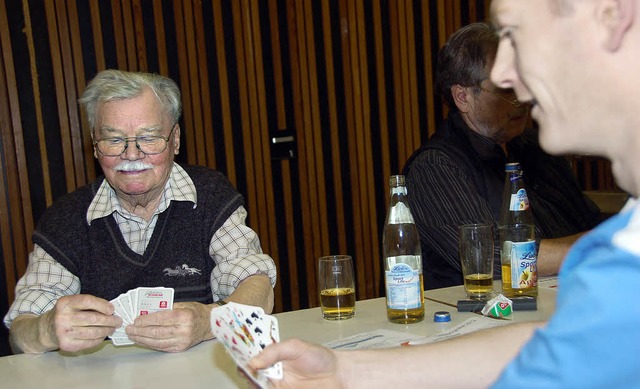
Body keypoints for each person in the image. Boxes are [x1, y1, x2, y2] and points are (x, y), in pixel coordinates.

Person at [250, 0, 640, 386]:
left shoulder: (539, 157)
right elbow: (555, 342)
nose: (509, 76)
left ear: (613, 18)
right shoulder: (438, 164)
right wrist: (346, 372)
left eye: (518, 37)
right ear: (462, 96)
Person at [3, 69, 277, 354]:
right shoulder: (65, 219)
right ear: (95, 145)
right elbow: (21, 331)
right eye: (113, 139)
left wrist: (209, 322)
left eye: (149, 138)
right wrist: (47, 329)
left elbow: (257, 286)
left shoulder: (210, 195)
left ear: (175, 139)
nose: (131, 155)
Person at [402, 22, 601, 289]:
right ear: (463, 97)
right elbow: (496, 259)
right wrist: (607, 245)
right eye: (507, 87)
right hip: (482, 318)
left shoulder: (536, 146)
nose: (523, 97)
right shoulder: (435, 167)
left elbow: (586, 220)